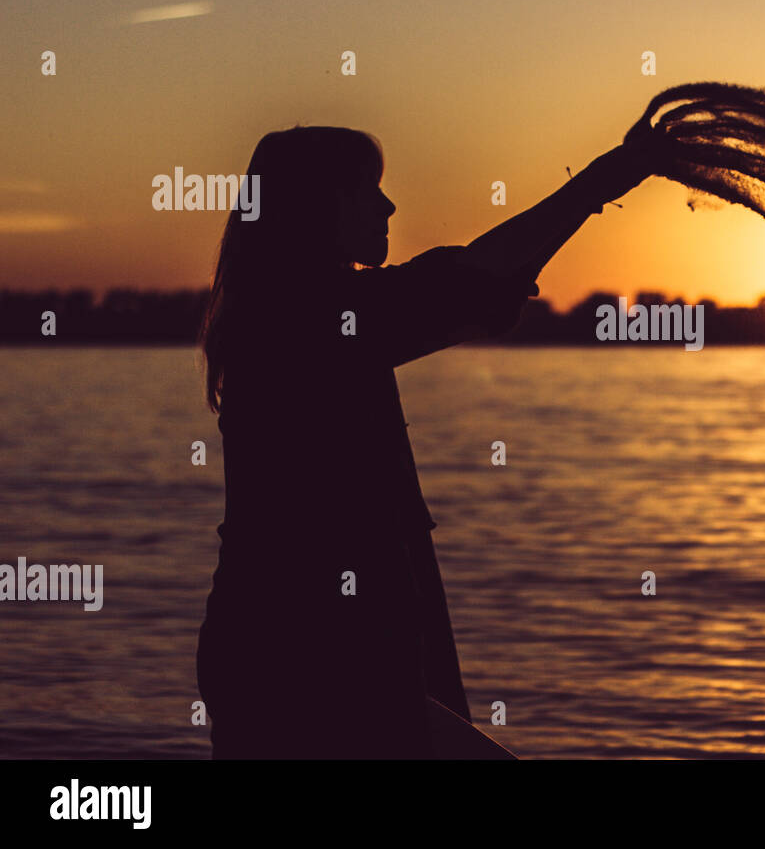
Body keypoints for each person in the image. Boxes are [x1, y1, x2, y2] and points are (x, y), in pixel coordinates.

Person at [196, 126, 654, 758]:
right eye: (368, 191)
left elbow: (459, 285)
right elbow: (460, 278)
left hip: (326, 644)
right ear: (317, 206)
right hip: (305, 657)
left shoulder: (308, 310)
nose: (388, 208)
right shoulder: (300, 317)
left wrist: (490, 283)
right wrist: (605, 180)